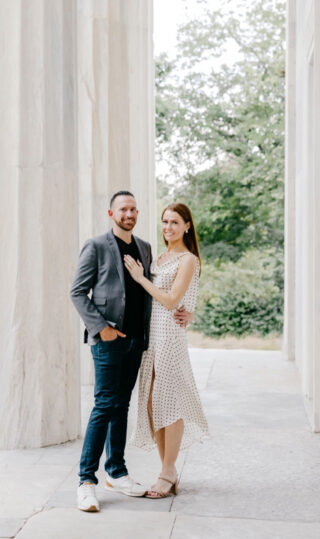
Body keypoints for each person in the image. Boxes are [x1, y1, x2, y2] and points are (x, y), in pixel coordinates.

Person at [69, 191, 192, 512]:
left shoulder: (146, 248)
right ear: (111, 214)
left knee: (121, 406)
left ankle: (117, 471)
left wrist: (186, 311)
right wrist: (102, 328)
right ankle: (86, 481)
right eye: (123, 209)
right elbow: (78, 292)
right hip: (108, 340)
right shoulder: (96, 246)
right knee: (104, 405)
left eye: (134, 209)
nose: (130, 213)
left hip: (139, 341)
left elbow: (162, 291)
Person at [123, 202, 209, 499]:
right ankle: (167, 470)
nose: (168, 228)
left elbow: (172, 301)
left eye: (174, 222)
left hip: (170, 336)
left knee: (168, 402)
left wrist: (140, 278)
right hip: (152, 336)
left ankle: (167, 471)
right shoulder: (160, 257)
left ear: (187, 226)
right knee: (150, 403)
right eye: (164, 222)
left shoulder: (188, 259)